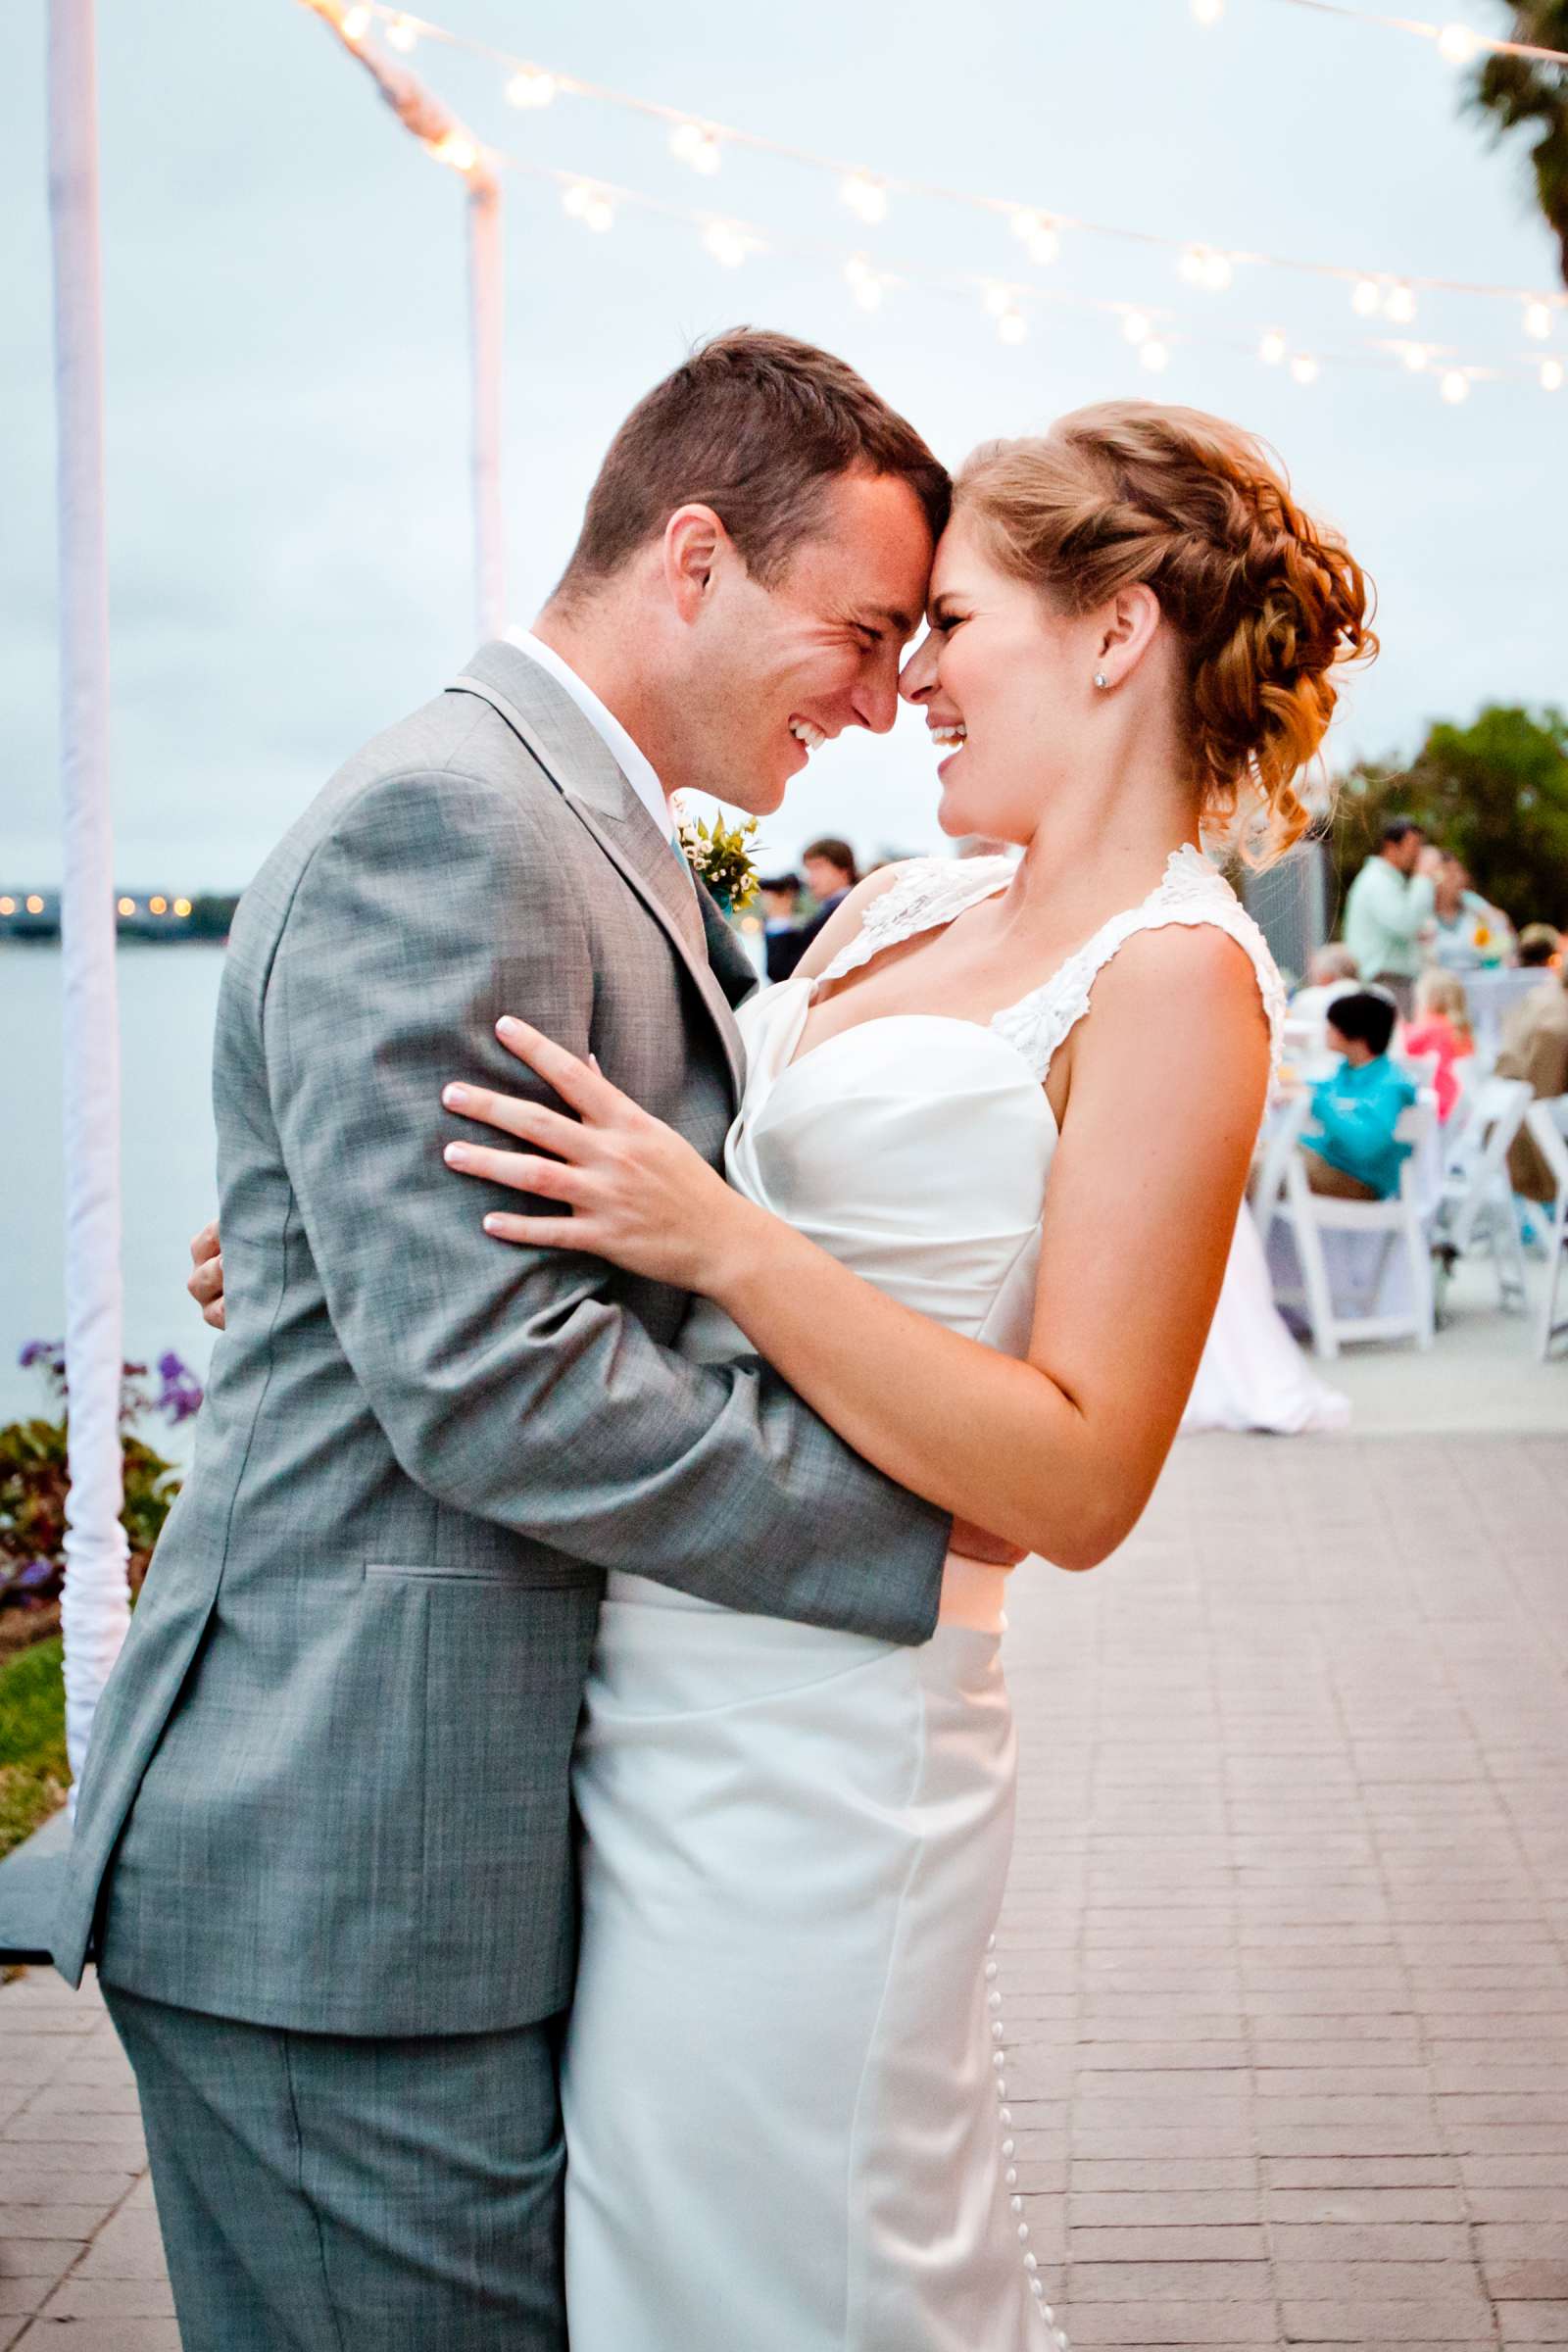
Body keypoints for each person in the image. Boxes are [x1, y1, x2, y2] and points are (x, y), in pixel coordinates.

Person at [56, 328, 964, 2352]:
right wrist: (909, 1521)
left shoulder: (561, 814)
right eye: (867, 628)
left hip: (447, 1858)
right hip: (343, 1866)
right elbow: (489, 1375)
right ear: (697, 557)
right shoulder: (459, 823)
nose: (891, 694)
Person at [442, 399, 1374, 2349]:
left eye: (948, 624)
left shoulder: (1171, 980)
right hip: (648, 1690)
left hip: (837, 1741)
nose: (906, 682)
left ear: (1116, 629)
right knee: (648, 2272)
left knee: (802, 2270)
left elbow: (1079, 1479)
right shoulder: (898, 905)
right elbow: (664, 1195)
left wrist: (730, 1248)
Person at [1298, 989, 1416, 1200]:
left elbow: (1366, 1146)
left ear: (1356, 1034)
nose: (1327, 1032)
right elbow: (1325, 1088)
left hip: (1357, 1180)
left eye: (1333, 1026)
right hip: (1327, 1163)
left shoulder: (1390, 1084)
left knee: (1244, 1169)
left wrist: (1317, 1102)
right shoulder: (1350, 1071)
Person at [1341, 816, 1438, 1014]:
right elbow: (1406, 923)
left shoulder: (1389, 881)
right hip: (1386, 982)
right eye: (1413, 846)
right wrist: (1424, 877)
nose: (1418, 854)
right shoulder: (1377, 881)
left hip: (1394, 980)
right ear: (1391, 846)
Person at [1497, 956, 1568, 1202]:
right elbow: (1541, 1101)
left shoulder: (1539, 997)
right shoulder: (1557, 1027)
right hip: (1525, 1141)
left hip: (1506, 1118)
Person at [1403, 966, 1474, 1123]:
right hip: (1457, 1111)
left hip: (1436, 1108)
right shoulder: (1461, 1031)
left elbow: (1397, 1049)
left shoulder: (1430, 1029)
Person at [1430, 853, 1512, 971]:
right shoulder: (1423, 909)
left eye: (1459, 872)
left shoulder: (1471, 902)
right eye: (1450, 874)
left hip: (1475, 975)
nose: (1459, 879)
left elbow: (1501, 923)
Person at [793, 832, 860, 956]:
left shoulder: (850, 908)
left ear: (843, 870)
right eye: (808, 869)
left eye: (817, 867)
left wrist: (779, 917)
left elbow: (786, 967)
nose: (811, 878)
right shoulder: (831, 909)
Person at [1288, 941, 1360, 1034]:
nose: (1312, 980)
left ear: (1326, 976)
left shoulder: (1308, 998)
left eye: (1314, 974)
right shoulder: (1375, 995)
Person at [759, 869, 808, 981]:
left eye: (772, 896)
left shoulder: (799, 934)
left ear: (788, 896)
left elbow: (779, 971)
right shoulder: (770, 928)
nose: (765, 902)